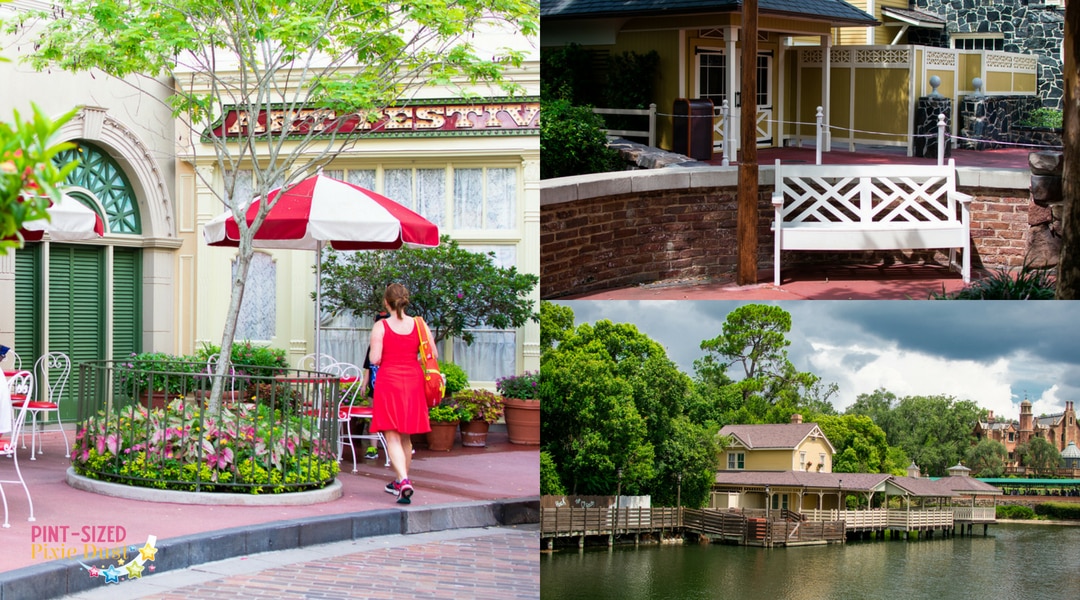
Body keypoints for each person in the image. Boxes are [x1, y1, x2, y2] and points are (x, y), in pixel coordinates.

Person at [368, 283, 434, 504]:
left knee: (392, 434)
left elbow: (374, 359)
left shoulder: (381, 326)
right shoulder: (419, 324)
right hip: (413, 380)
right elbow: (431, 353)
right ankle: (400, 480)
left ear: (386, 302)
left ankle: (403, 480)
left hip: (389, 380)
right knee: (406, 435)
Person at [360, 311, 389, 460]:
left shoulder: (393, 343)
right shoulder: (373, 345)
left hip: (389, 388)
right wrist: (364, 385)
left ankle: (398, 446)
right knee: (373, 417)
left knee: (392, 417)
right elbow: (368, 367)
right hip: (374, 387)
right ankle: (373, 447)